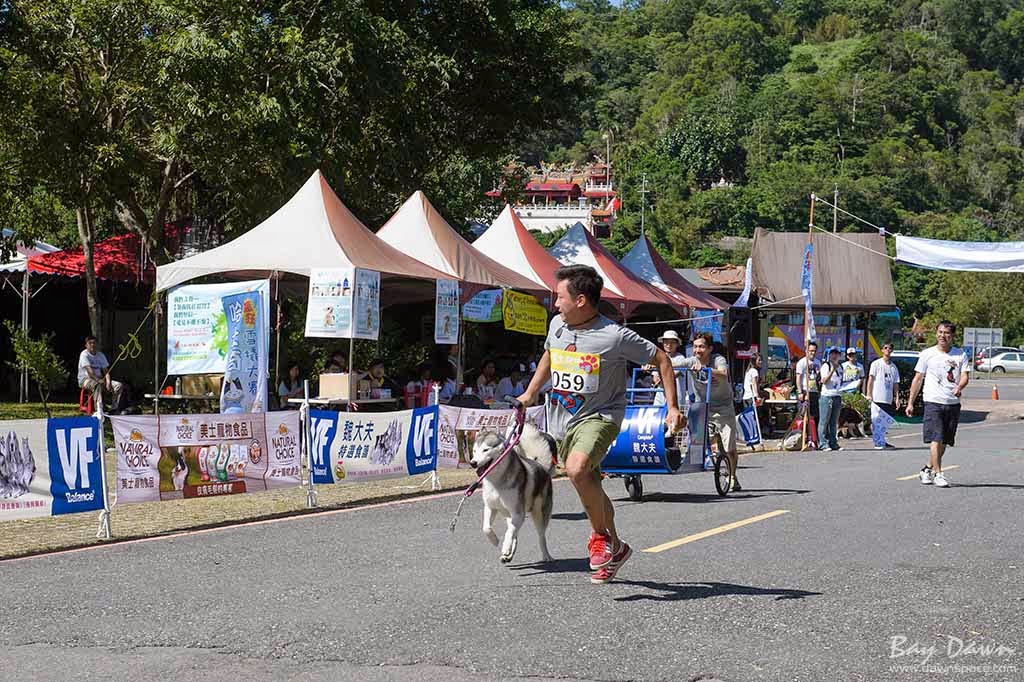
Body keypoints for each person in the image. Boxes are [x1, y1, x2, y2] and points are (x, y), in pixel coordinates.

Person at [517, 264, 683, 584]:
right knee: (589, 483)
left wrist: (673, 407)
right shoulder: (557, 325)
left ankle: (600, 537)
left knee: (578, 469)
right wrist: (529, 393)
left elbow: (661, 359)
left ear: (581, 301)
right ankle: (617, 547)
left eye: (560, 297)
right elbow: (550, 356)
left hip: (603, 416)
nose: (555, 304)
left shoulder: (614, 335)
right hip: (566, 419)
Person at [907, 321, 970, 488]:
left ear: (952, 336)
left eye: (947, 333)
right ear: (936, 334)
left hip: (952, 402)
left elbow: (964, 376)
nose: (943, 335)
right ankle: (939, 474)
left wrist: (959, 387)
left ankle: (927, 469)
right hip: (933, 401)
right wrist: (910, 403)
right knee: (936, 438)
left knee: (944, 441)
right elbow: (918, 378)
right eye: (940, 332)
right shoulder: (927, 354)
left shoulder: (960, 355)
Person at [679, 332, 742, 491]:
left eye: (701, 347)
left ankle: (732, 476)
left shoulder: (717, 359)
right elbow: (672, 363)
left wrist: (706, 369)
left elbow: (723, 373)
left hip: (723, 407)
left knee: (729, 448)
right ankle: (701, 460)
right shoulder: (691, 361)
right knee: (701, 442)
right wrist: (653, 365)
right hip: (703, 407)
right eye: (695, 347)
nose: (697, 350)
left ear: (709, 349)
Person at [866, 342, 901, 449]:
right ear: (882, 350)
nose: (888, 350)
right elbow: (870, 380)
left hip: (888, 398)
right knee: (876, 420)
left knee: (885, 421)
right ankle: (878, 442)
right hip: (877, 397)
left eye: (890, 348)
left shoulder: (893, 367)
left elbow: (895, 384)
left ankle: (882, 440)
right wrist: (869, 394)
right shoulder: (876, 364)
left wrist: (897, 398)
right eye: (885, 348)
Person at [78, 335, 125, 414]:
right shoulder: (84, 355)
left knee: (118, 385)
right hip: (86, 380)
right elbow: (90, 372)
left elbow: (106, 371)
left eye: (94, 343)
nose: (92, 345)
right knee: (97, 385)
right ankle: (99, 410)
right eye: (90, 343)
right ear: (86, 345)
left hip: (100, 379)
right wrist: (98, 380)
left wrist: (108, 381)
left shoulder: (100, 355)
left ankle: (114, 408)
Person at [651, 330, 686, 408]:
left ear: (677, 344)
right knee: (656, 415)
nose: (669, 345)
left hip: (675, 396)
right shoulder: (659, 357)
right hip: (660, 394)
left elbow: (673, 375)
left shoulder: (680, 358)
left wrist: (660, 378)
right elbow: (655, 377)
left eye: (672, 342)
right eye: (666, 342)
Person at [818, 347, 843, 451]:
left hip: (837, 395)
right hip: (826, 396)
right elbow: (824, 380)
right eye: (832, 353)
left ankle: (833, 442)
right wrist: (833, 370)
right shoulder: (826, 366)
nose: (834, 356)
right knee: (824, 421)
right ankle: (823, 443)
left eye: (836, 353)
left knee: (834, 422)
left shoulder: (841, 367)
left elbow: (841, 380)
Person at [795, 341, 821, 447]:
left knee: (815, 416)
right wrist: (800, 391)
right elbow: (798, 378)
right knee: (804, 415)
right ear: (806, 351)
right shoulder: (802, 363)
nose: (812, 353)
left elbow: (819, 378)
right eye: (810, 351)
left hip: (815, 391)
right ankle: (803, 437)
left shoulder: (818, 362)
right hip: (805, 391)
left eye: (814, 351)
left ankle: (814, 438)